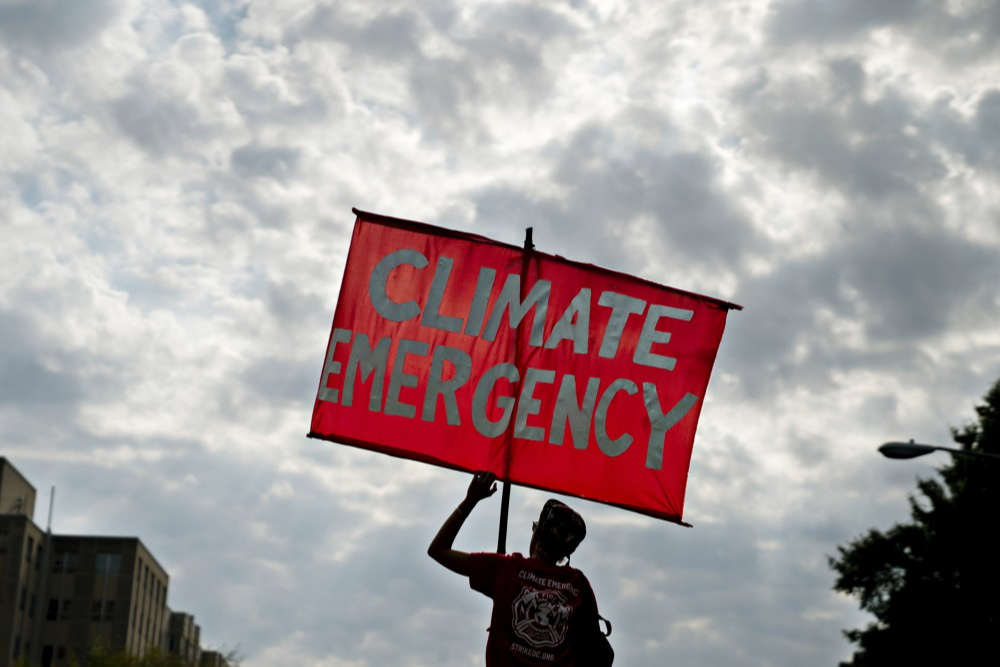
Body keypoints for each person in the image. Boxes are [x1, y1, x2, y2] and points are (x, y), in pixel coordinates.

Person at [428, 471, 602, 666]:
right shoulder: (578, 585)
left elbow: (438, 550)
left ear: (538, 534)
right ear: (568, 551)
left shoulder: (507, 569)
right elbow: (593, 648)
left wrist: (471, 500)